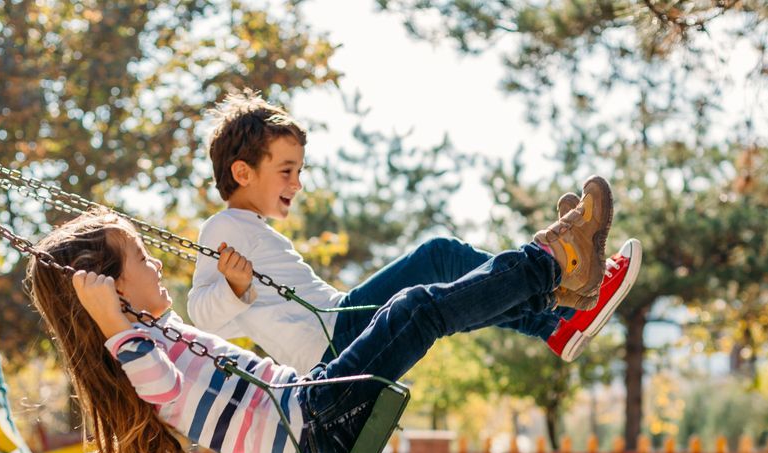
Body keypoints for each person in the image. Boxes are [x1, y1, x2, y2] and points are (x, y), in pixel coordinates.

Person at [25, 191, 631, 453]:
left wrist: (122, 318)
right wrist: (109, 322)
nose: (155, 264)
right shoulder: (137, 353)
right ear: (112, 290)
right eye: (139, 258)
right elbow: (166, 385)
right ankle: (552, 264)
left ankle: (557, 293)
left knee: (414, 302)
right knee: (416, 309)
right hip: (310, 423)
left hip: (310, 407)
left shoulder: (149, 334)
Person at [187, 91, 641, 371]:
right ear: (243, 173)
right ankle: (561, 306)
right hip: (332, 341)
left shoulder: (247, 227)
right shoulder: (222, 227)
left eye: (299, 170)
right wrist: (233, 286)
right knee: (440, 256)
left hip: (337, 326)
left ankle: (558, 319)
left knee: (449, 284)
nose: (297, 183)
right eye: (286, 170)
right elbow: (201, 317)